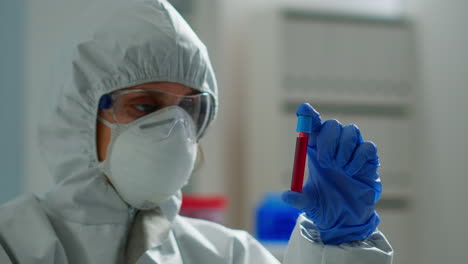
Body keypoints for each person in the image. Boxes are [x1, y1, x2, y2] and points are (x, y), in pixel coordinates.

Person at [0, 0, 393, 263]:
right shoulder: (14, 245)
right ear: (79, 118)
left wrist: (341, 245)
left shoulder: (228, 254)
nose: (173, 129)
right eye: (144, 106)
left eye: (190, 108)